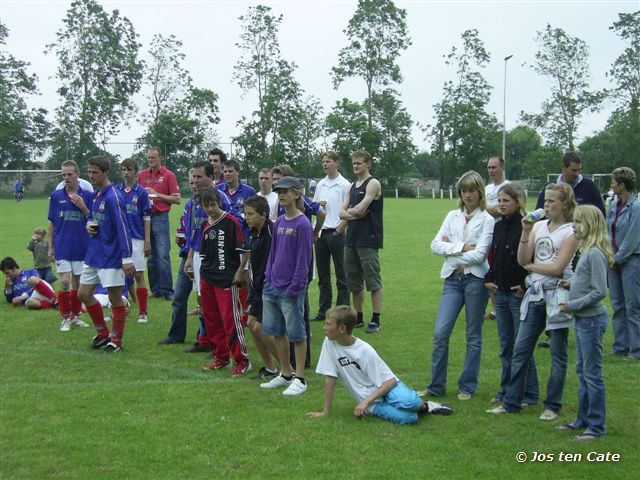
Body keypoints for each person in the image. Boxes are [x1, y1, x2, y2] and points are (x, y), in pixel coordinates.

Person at [487, 183, 578, 420]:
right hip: (536, 294)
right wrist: (526, 233)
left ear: (564, 204)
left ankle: (553, 405)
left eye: (551, 201)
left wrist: (532, 268)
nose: (546, 205)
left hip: (558, 294)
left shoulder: (571, 231)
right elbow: (522, 259)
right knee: (520, 349)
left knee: (558, 353)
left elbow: (558, 268)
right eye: (545, 200)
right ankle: (512, 402)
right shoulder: (537, 226)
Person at [307, 305, 453, 424]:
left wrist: (364, 402)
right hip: (373, 404)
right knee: (410, 418)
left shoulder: (364, 350)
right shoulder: (329, 343)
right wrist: (325, 412)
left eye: (328, 324)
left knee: (411, 403)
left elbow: (389, 381)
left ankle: (426, 406)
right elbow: (330, 378)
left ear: (342, 328)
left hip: (388, 388)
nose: (324, 328)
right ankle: (402, 406)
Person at [421, 171, 494, 401]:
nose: (467, 195)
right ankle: (436, 386)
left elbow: (481, 255)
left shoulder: (488, 220)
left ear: (480, 192)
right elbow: (434, 245)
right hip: (452, 280)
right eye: (464, 190)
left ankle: (467, 386)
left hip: (475, 281)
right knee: (440, 333)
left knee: (473, 335)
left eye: (472, 190)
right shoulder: (452, 215)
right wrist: (462, 248)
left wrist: (450, 250)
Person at [557, 205, 613, 441]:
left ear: (591, 224)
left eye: (579, 222)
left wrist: (573, 305)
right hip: (583, 319)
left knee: (592, 374)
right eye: (574, 221)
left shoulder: (595, 254)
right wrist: (570, 285)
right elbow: (587, 283)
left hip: (591, 319)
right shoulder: (586, 251)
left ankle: (597, 426)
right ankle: (582, 419)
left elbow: (600, 291)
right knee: (582, 371)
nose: (574, 225)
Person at [484, 183, 538, 407]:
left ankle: (530, 394)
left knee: (521, 346)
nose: (501, 205)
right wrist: (490, 278)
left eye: (506, 200)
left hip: (518, 294)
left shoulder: (528, 228)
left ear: (519, 202)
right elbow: (496, 258)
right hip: (502, 293)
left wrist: (525, 284)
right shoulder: (498, 227)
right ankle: (507, 389)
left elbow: (532, 260)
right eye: (499, 200)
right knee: (506, 346)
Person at [259, 177, 314, 396]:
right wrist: (268, 277)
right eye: (279, 191)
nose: (281, 195)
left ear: (296, 194)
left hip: (291, 289)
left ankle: (300, 378)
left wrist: (295, 286)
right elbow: (273, 253)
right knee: (277, 332)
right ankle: (285, 373)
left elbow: (304, 259)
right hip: (272, 286)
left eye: (285, 192)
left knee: (297, 334)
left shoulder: (303, 224)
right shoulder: (280, 221)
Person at [78, 155, 134, 353]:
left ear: (105, 173)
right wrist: (90, 226)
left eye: (95, 172)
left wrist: (127, 258)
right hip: (94, 254)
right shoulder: (97, 196)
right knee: (83, 294)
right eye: (89, 172)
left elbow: (123, 228)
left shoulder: (114, 196)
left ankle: (116, 340)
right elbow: (95, 221)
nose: (91, 175)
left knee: (115, 297)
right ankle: (102, 333)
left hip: (111, 255)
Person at [195, 188, 251, 376]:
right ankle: (221, 357)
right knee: (211, 319)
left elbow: (245, 249)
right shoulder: (204, 225)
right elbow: (204, 253)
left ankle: (242, 360)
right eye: (206, 205)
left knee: (231, 320)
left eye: (213, 204)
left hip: (227, 278)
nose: (210, 209)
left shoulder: (231, 222)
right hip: (208, 277)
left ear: (219, 203)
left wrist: (240, 271)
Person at [339, 150, 384, 333]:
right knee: (354, 282)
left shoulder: (373, 183)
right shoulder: (351, 186)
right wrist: (352, 215)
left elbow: (361, 208)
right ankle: (358, 317)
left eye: (359, 163)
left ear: (368, 164)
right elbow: (342, 211)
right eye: (354, 163)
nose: (356, 166)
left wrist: (349, 214)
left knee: (373, 281)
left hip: (368, 239)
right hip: (351, 239)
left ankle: (376, 319)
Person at [48, 160, 94, 331]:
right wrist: (51, 247)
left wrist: (82, 206)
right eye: (64, 175)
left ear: (78, 175)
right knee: (65, 282)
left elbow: (93, 220)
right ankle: (65, 318)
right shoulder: (56, 196)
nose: (67, 177)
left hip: (81, 246)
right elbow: (52, 223)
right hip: (63, 246)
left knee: (77, 283)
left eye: (70, 174)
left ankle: (74, 316)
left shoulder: (88, 196)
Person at [312, 151, 351, 322]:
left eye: (328, 161)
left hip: (337, 233)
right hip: (321, 233)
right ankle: (324, 311)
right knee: (323, 275)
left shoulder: (344, 184)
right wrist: (315, 231)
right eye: (323, 161)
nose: (325, 164)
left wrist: (341, 228)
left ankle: (342, 313)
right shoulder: (321, 184)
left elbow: (349, 209)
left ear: (336, 162)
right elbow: (315, 208)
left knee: (342, 275)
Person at [138, 147, 181, 300]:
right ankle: (155, 289)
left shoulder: (169, 175)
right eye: (149, 158)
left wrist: (156, 195)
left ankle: (168, 290)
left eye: (153, 158)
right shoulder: (142, 175)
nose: (151, 161)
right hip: (145, 217)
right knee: (150, 255)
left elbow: (177, 199)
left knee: (162, 255)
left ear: (160, 158)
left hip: (160, 217)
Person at [244, 195, 279, 380]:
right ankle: (270, 368)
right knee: (251, 324)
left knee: (260, 328)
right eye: (245, 213)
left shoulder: (272, 233)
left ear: (263, 215)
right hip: (256, 287)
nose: (246, 217)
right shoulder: (253, 232)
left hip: (268, 287)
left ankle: (287, 368)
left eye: (250, 214)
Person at [606, 167, 640, 360]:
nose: (611, 185)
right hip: (613, 261)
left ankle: (636, 349)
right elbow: (608, 232)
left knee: (633, 305)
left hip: (631, 261)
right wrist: (609, 255)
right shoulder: (614, 206)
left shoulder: (636, 208)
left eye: (613, 182)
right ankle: (620, 346)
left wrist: (617, 259)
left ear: (622, 185)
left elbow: (633, 238)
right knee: (618, 304)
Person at [117, 158, 152, 324]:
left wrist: (147, 240)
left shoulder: (142, 193)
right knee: (117, 275)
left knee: (138, 274)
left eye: (129, 169)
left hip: (136, 239)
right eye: (124, 169)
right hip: (119, 239)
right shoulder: (116, 190)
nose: (126, 172)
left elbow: (146, 218)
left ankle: (143, 312)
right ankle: (118, 309)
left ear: (136, 172)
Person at [535, 151, 605, 216]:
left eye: (579, 170)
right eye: (574, 170)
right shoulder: (549, 188)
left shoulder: (589, 186)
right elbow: (540, 213)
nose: (577, 173)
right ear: (563, 167)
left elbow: (600, 213)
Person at [484, 156, 510, 320]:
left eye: (494, 167)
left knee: (503, 270)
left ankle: (505, 307)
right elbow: (484, 209)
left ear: (502, 167)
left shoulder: (509, 187)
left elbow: (498, 210)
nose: (491, 171)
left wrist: (488, 209)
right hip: (487, 235)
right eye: (489, 168)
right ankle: (494, 310)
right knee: (489, 270)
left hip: (504, 235)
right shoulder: (486, 189)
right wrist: (490, 209)